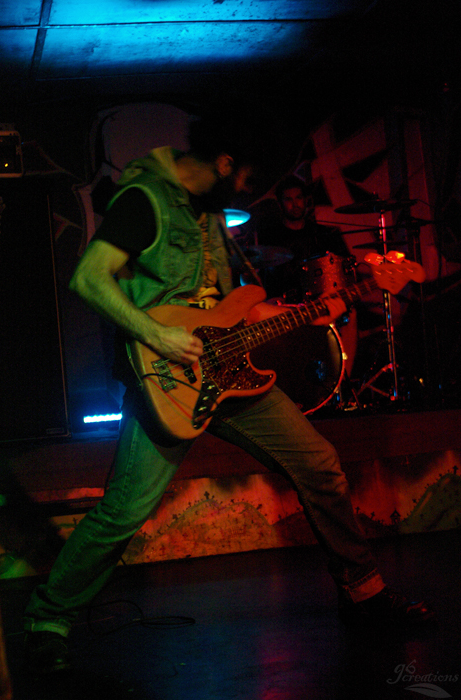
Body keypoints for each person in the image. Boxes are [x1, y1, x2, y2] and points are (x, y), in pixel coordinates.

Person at [23, 116, 434, 675]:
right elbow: (88, 278)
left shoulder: (211, 215)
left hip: (230, 372)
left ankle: (364, 594)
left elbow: (230, 307)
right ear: (224, 164)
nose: (247, 193)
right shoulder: (145, 199)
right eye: (246, 180)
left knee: (320, 464)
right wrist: (155, 333)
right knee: (123, 511)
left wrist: (320, 307)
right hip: (167, 380)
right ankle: (48, 618)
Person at [257, 175, 350, 301]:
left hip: (322, 300)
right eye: (288, 199)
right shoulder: (271, 238)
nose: (295, 204)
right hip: (286, 304)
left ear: (305, 201)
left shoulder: (321, 233)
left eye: (299, 198)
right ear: (280, 204)